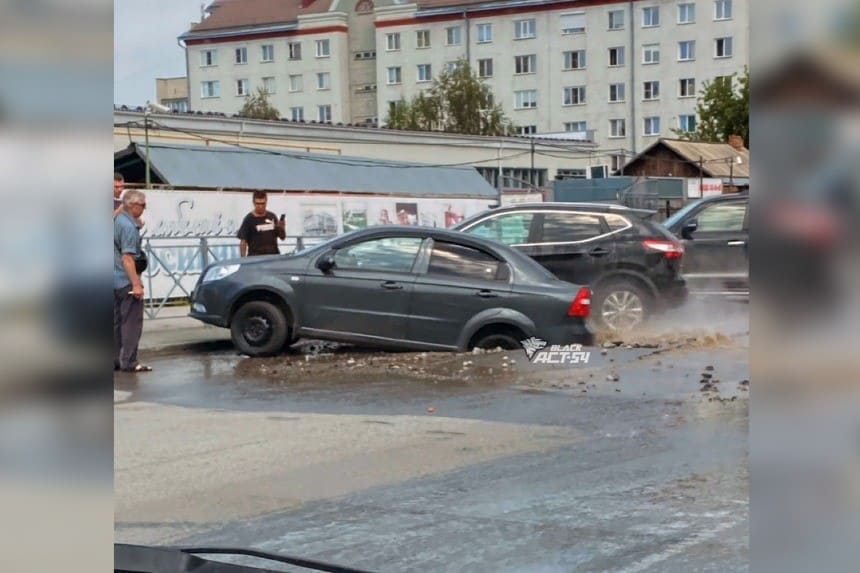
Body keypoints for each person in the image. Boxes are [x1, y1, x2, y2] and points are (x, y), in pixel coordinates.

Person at [114, 190, 151, 372]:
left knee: (116, 322)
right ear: (133, 205)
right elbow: (127, 258)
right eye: (143, 205)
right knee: (131, 322)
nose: (145, 208)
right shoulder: (128, 227)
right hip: (125, 280)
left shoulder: (116, 220)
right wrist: (136, 283)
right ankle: (129, 361)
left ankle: (116, 360)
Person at [237, 191, 286, 256]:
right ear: (253, 203)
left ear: (266, 202)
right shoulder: (248, 219)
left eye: (263, 203)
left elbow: (282, 237)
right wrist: (243, 260)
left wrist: (282, 228)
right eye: (258, 203)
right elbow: (243, 242)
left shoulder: (272, 216)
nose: (260, 206)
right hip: (256, 258)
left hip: (273, 257)